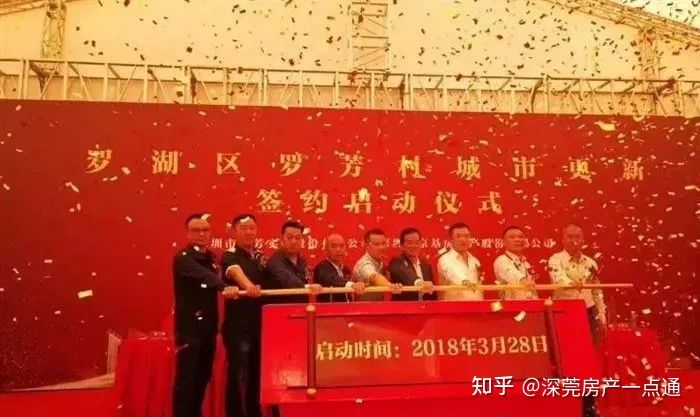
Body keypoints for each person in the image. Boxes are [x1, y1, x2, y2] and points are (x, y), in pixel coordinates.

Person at [172, 213, 237, 417]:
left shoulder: (211, 257)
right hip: (189, 329)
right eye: (196, 230)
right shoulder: (183, 258)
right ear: (188, 233)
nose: (201, 234)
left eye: (205, 230)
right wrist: (223, 287)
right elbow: (204, 275)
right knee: (187, 381)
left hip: (209, 327)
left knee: (202, 377)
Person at [220, 214, 265, 417]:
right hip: (238, 327)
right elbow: (235, 273)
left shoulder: (261, 257)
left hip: (260, 325)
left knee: (257, 375)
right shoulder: (229, 255)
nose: (248, 232)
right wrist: (249, 287)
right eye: (243, 228)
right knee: (238, 376)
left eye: (252, 228)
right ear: (234, 231)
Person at [548, 223, 607, 340]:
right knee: (566, 345)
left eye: (577, 237)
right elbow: (558, 278)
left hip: (589, 311)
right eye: (570, 237)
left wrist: (602, 317)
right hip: (564, 310)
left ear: (583, 240)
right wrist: (571, 284)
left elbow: (597, 291)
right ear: (563, 240)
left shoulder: (591, 263)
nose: (574, 240)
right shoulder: (555, 259)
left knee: (590, 346)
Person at [265, 220, 322, 303]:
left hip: (301, 306)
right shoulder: (275, 261)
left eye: (297, 238)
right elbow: (286, 278)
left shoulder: (302, 261)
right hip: (280, 307)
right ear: (282, 239)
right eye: (289, 237)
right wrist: (308, 287)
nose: (293, 241)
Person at [352, 228, 403, 301]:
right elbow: (374, 277)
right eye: (376, 244)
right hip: (363, 307)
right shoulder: (363, 264)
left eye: (383, 243)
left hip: (378, 305)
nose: (381, 247)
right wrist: (391, 286)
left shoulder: (381, 263)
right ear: (366, 245)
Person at [436, 222, 483, 301]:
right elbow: (452, 273)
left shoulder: (475, 261)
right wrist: (464, 281)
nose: (463, 240)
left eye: (466, 236)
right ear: (451, 240)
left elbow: (479, 286)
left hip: (476, 304)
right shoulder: (444, 259)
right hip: (454, 306)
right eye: (458, 236)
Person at [313, 233, 365, 302]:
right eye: (333, 246)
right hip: (330, 307)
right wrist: (351, 284)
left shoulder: (346, 269)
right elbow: (333, 279)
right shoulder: (322, 267)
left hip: (347, 307)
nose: (338, 250)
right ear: (326, 250)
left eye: (341, 246)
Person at [388, 227, 435, 301]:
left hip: (424, 306)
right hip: (404, 306)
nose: (414, 246)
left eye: (417, 242)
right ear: (401, 245)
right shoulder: (396, 261)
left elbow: (432, 291)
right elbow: (407, 274)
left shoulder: (426, 265)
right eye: (409, 243)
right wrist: (420, 283)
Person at [493, 226, 538, 300]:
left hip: (530, 303)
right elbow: (511, 273)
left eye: (521, 237)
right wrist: (523, 280)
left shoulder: (526, 263)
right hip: (510, 305)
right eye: (512, 237)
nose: (517, 240)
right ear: (504, 242)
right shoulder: (501, 261)